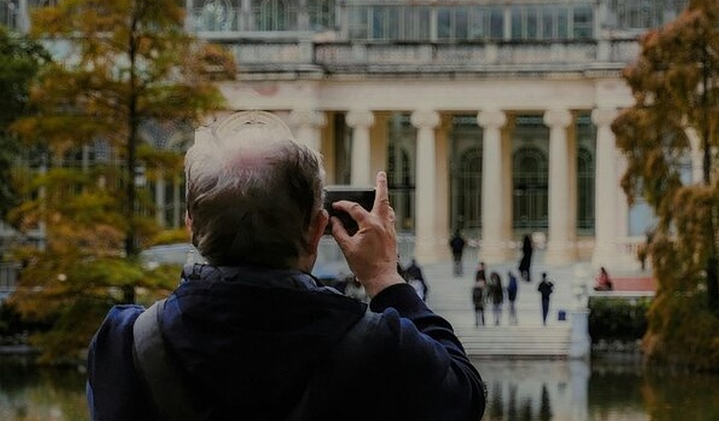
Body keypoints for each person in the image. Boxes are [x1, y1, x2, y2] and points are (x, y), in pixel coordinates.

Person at [86, 111, 485, 421]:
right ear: (317, 230)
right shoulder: (379, 345)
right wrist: (384, 278)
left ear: (190, 225)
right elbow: (464, 399)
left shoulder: (123, 345)